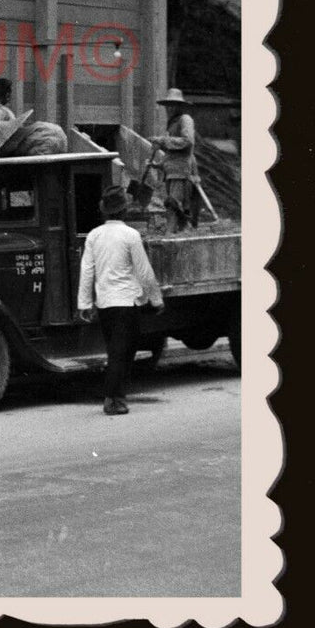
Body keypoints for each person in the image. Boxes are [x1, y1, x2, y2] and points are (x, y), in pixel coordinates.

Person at [78, 186, 165, 415]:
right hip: (127, 303)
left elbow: (87, 270)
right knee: (124, 351)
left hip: (105, 303)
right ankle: (112, 398)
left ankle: (118, 395)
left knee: (115, 350)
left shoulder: (94, 236)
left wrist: (85, 304)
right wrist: (156, 299)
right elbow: (144, 271)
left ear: (104, 211)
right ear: (124, 210)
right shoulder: (131, 235)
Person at [152, 88, 201, 232]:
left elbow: (188, 141)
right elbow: (172, 154)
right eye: (168, 105)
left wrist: (162, 140)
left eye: (173, 105)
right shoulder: (172, 123)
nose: (170, 108)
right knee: (174, 206)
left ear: (180, 106)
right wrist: (159, 165)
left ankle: (170, 234)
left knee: (174, 204)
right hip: (171, 172)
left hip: (182, 171)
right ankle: (180, 232)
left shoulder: (185, 119)